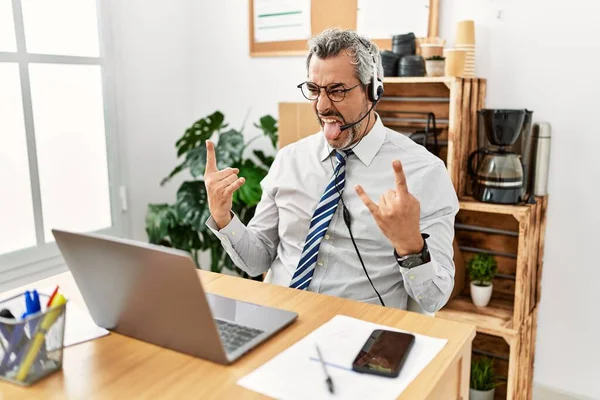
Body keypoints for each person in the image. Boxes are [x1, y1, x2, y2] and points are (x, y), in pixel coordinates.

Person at [205, 28, 459, 312]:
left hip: (359, 334)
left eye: (337, 91)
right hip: (278, 318)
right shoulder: (290, 160)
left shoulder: (424, 173)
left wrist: (410, 246)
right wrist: (223, 217)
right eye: (314, 90)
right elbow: (257, 261)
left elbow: (435, 297)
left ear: (373, 91)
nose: (322, 106)